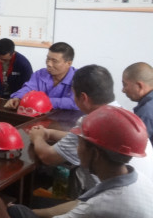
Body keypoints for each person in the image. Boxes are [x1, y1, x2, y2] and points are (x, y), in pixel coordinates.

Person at [10, 106, 153, 218]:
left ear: (95, 154)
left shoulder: (104, 207)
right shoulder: (137, 179)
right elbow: (80, 203)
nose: (76, 149)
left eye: (79, 143)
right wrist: (34, 212)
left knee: (16, 213)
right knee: (32, 208)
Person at [27, 64, 153, 195]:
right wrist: (49, 133)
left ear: (83, 98)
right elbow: (76, 138)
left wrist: (37, 137)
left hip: (110, 198)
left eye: (73, 94)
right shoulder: (124, 115)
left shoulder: (92, 122)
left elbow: (48, 157)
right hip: (143, 193)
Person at [4, 42, 79, 110]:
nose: (49, 64)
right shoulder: (40, 74)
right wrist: (18, 97)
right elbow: (28, 88)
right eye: (48, 59)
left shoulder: (79, 78)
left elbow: (75, 103)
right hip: (39, 117)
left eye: (54, 61)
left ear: (69, 63)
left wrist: (41, 101)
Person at [122, 62, 153, 144]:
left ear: (139, 86)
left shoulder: (145, 113)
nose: (123, 90)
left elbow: (133, 145)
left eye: (125, 85)